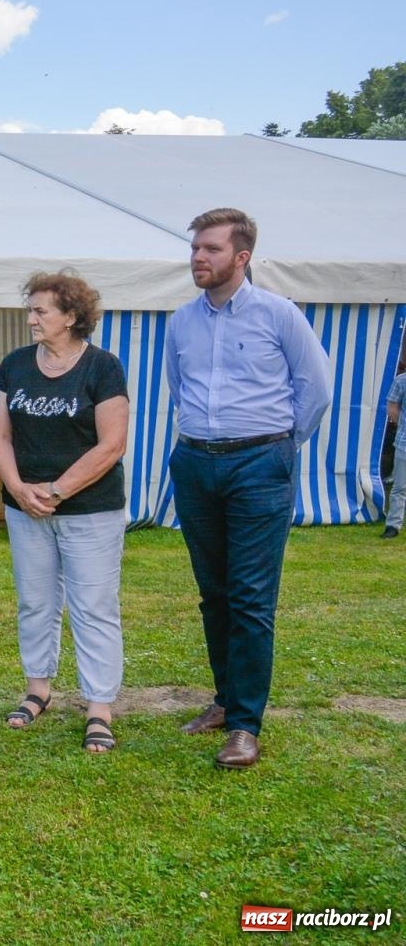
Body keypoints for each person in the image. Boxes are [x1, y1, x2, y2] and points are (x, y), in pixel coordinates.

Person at [166, 207, 332, 770]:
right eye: (195, 248)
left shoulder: (279, 314)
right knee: (214, 592)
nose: (198, 257)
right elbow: (177, 387)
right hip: (194, 463)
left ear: (242, 257)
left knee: (252, 598)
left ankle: (244, 726)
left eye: (210, 249)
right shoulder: (180, 320)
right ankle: (222, 701)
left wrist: (280, 447)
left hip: (260, 463)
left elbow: (316, 389)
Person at [0, 271, 131, 754]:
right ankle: (37, 690)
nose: (30, 319)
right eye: (30, 309)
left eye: (40, 311)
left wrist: (54, 490)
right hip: (24, 507)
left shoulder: (102, 367)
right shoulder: (15, 366)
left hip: (90, 510)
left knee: (94, 607)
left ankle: (99, 707)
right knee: (35, 600)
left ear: (71, 317)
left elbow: (112, 444)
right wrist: (16, 487)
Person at [382, 365, 405, 540]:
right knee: (399, 487)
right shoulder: (401, 380)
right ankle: (393, 525)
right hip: (404, 442)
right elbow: (392, 406)